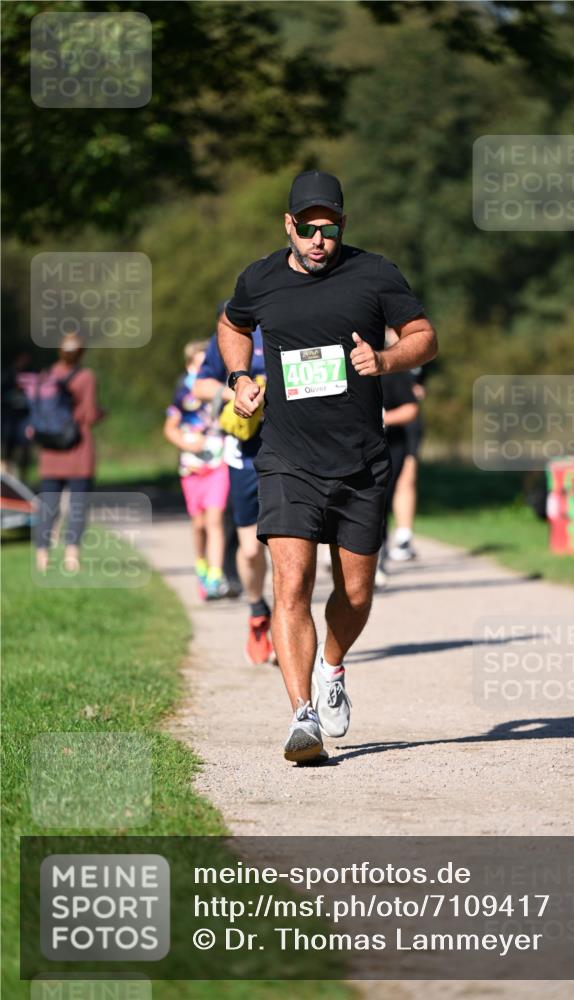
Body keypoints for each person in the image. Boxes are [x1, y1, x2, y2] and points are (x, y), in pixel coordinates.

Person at [218, 170, 438, 762]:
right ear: (289, 226)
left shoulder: (375, 274)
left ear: (342, 226)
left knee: (357, 593)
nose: (320, 239)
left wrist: (386, 358)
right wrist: (239, 378)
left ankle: (333, 668)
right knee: (292, 584)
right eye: (309, 229)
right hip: (288, 458)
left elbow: (425, 337)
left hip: (361, 461)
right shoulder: (259, 278)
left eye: (330, 228)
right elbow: (232, 323)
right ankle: (302, 716)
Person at [193, 321, 276, 665]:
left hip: (295, 451)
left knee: (293, 548)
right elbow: (200, 385)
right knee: (250, 549)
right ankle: (257, 609)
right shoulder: (235, 331)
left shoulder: (305, 320)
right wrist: (241, 391)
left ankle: (289, 631)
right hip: (245, 455)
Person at [164, 340, 230, 600]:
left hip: (218, 461)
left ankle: (215, 576)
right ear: (189, 365)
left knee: (215, 520)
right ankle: (201, 564)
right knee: (199, 523)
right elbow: (169, 427)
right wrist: (186, 442)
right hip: (191, 465)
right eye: (200, 364)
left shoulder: (221, 387)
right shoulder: (183, 388)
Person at [33, 332, 104, 573]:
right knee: (77, 505)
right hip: (78, 450)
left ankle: (42, 557)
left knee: (48, 504)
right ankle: (72, 557)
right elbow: (90, 414)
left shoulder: (46, 376)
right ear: (81, 352)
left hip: (50, 451)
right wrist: (101, 413)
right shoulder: (86, 377)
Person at [376, 368, 420, 588]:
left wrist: (381, 418)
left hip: (390, 446)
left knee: (378, 503)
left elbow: (411, 408)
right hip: (344, 445)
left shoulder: (392, 370)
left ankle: (377, 562)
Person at [389, 366, 427, 562]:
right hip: (379, 414)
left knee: (406, 477)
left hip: (407, 419)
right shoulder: (374, 339)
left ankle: (404, 538)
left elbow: (421, 383)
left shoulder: (417, 341)